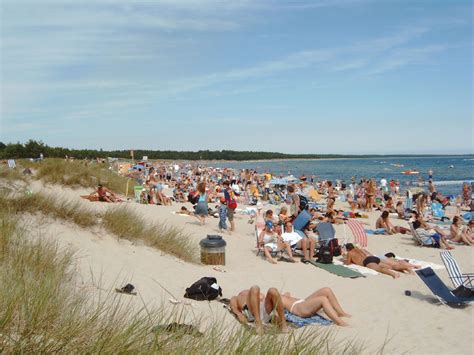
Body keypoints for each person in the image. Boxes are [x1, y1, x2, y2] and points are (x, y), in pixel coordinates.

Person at [281, 288, 350, 326]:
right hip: (298, 308)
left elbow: (288, 293)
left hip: (303, 302)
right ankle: (339, 322)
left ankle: (341, 313)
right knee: (322, 299)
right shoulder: (275, 298)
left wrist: (285, 294)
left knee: (326, 290)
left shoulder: (279, 296)